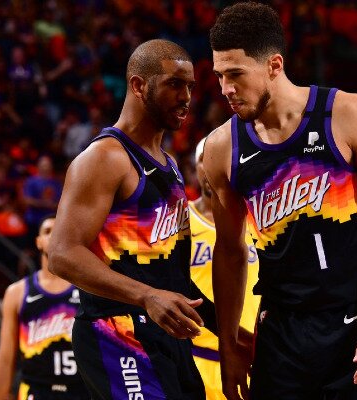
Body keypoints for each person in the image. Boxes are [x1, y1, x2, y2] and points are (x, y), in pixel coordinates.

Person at [203, 3, 357, 399]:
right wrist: (228, 344)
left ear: (274, 65)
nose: (225, 89)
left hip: (353, 325)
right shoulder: (220, 149)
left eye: (235, 75)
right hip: (280, 335)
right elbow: (230, 252)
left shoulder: (348, 113)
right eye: (219, 76)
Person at [48, 39, 217, 400]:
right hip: (118, 331)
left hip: (165, 335)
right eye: (174, 84)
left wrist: (234, 337)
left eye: (190, 86)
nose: (186, 96)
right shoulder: (105, 157)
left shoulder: (170, 166)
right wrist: (146, 296)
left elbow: (174, 281)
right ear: (139, 85)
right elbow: (62, 253)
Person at [0, 215, 89, 400]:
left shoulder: (88, 288)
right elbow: (5, 357)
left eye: (59, 229)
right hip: (35, 391)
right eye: (47, 231)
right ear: (38, 242)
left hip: (82, 391)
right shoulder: (17, 292)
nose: (54, 235)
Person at [189, 138, 260, 399]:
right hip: (195, 358)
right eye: (203, 160)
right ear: (194, 168)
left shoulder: (260, 219)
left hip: (254, 359)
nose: (210, 168)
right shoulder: (179, 222)